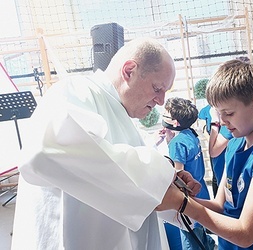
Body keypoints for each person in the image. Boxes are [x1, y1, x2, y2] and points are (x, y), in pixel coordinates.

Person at [11, 37, 201, 250]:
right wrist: (161, 171)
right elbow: (46, 152)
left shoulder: (121, 114)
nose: (161, 100)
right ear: (129, 71)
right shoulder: (74, 92)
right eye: (157, 88)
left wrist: (170, 186)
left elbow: (124, 183)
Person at [157, 59, 253, 249]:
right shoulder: (235, 144)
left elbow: (246, 234)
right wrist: (176, 195)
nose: (222, 121)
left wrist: (183, 204)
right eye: (218, 114)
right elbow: (220, 205)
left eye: (229, 113)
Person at [161, 97, 215, 250]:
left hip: (189, 199)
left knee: (191, 241)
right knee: (201, 235)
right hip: (202, 192)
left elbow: (178, 173)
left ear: (175, 122)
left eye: (165, 114)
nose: (163, 117)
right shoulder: (191, 135)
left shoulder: (177, 144)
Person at [198, 103, 233, 196]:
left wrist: (215, 123)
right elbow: (203, 128)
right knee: (217, 179)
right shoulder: (205, 110)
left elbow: (213, 151)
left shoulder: (229, 126)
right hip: (217, 155)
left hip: (223, 155)